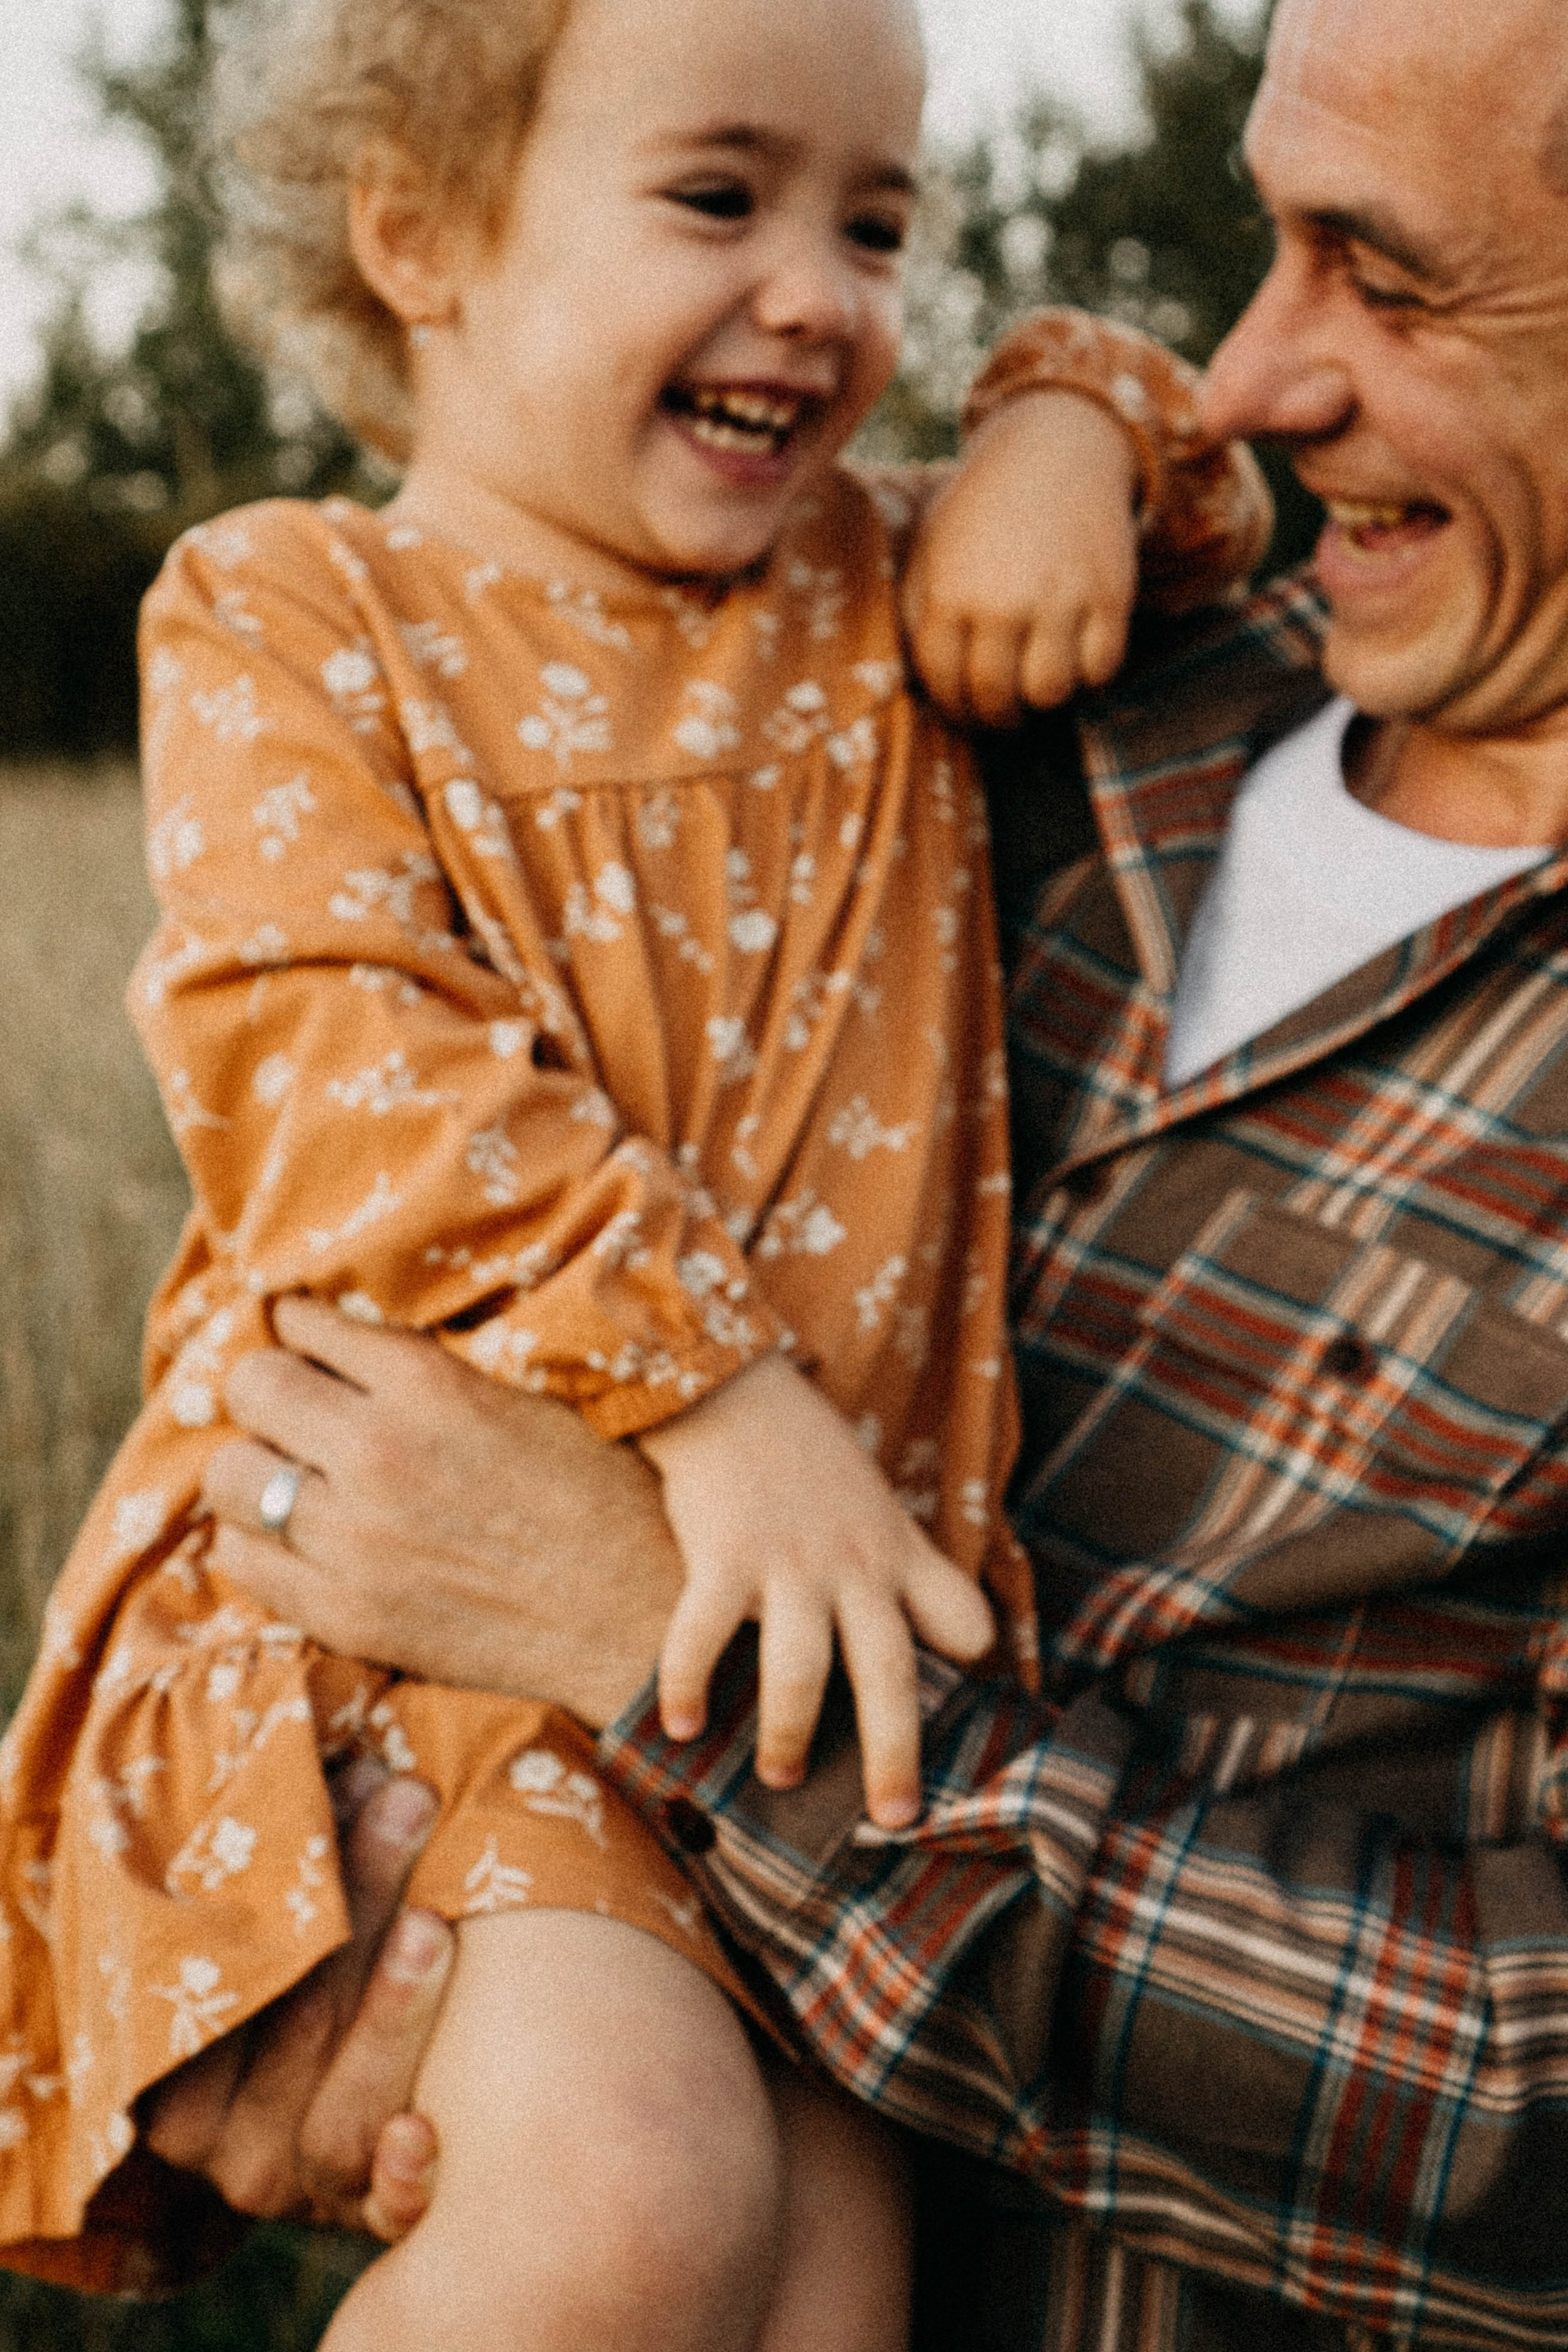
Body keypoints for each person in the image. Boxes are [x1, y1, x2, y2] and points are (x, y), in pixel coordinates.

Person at [146, 0, 1568, 2343]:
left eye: (1386, 275)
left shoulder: (892, 615)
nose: (1249, 374)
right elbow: (338, 1069)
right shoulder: (1050, 664)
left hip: (877, 2022)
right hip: (470, 1752)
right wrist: (1061, 429)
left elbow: (1526, 2115)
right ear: (412, 233)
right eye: (1268, 245)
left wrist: (654, 1652)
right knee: (619, 2210)